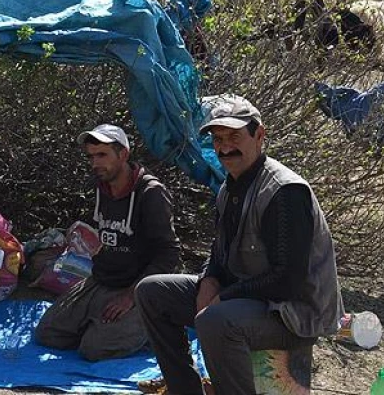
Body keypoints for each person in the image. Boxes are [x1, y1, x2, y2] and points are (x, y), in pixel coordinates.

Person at [135, 95, 345, 395]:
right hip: (252, 297)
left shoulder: (285, 191)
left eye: (234, 136)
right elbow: (220, 251)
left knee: (215, 321)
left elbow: (288, 280)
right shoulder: (229, 185)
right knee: (152, 291)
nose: (224, 147)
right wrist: (209, 280)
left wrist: (225, 297)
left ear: (259, 135)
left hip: (292, 313)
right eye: (218, 139)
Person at [35, 124, 180, 360]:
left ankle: (155, 325)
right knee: (48, 334)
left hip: (138, 287)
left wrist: (131, 296)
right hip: (102, 280)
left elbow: (169, 253)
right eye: (91, 157)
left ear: (123, 154)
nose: (95, 163)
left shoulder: (150, 193)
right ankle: (104, 326)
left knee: (94, 349)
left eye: (102, 155)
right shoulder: (100, 186)